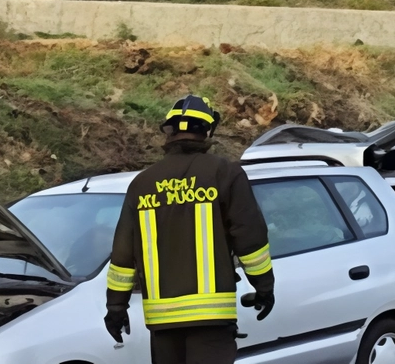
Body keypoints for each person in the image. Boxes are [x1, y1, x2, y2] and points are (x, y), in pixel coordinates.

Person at [104, 94, 275, 364]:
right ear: (207, 130)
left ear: (169, 131)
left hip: (162, 324)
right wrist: (264, 287)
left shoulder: (142, 184)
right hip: (212, 321)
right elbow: (251, 240)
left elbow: (123, 255)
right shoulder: (225, 174)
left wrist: (116, 307)